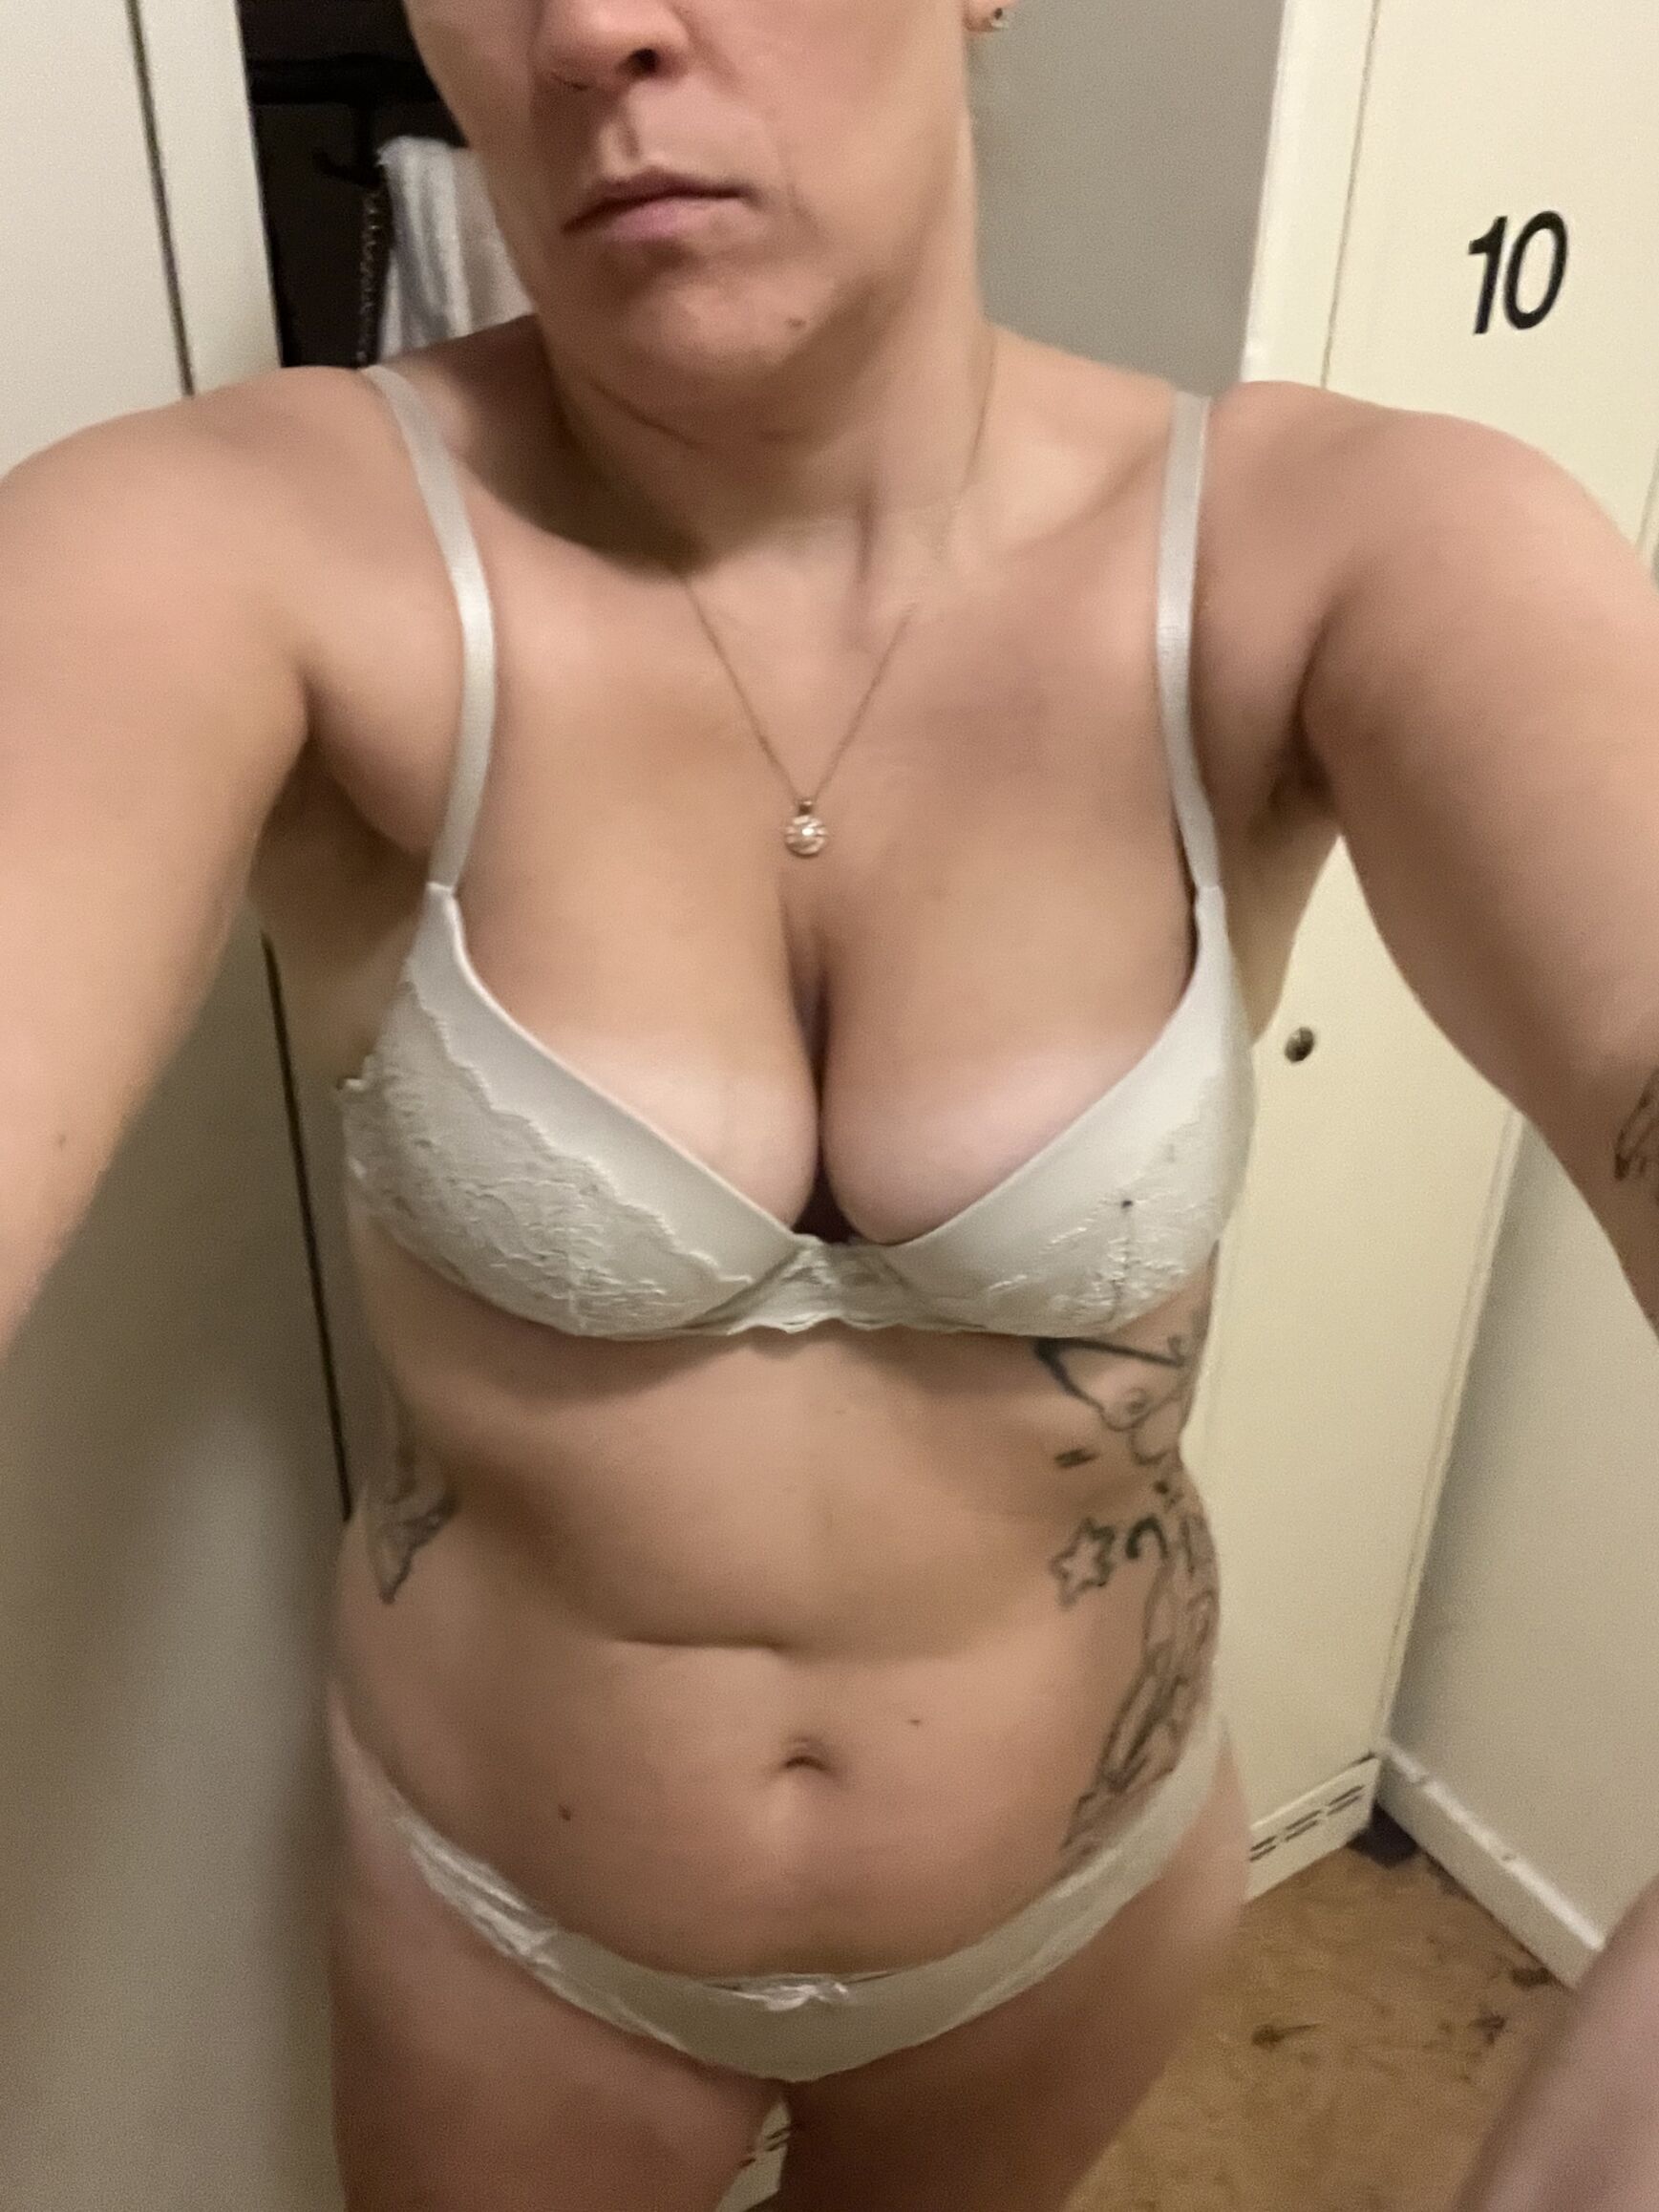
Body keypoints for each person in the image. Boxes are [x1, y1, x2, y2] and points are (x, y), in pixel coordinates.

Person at [3, 2, 1655, 2207]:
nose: (589, 25)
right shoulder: (224, 540)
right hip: (508, 1948)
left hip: (1063, 1928)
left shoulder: (1347, 547)